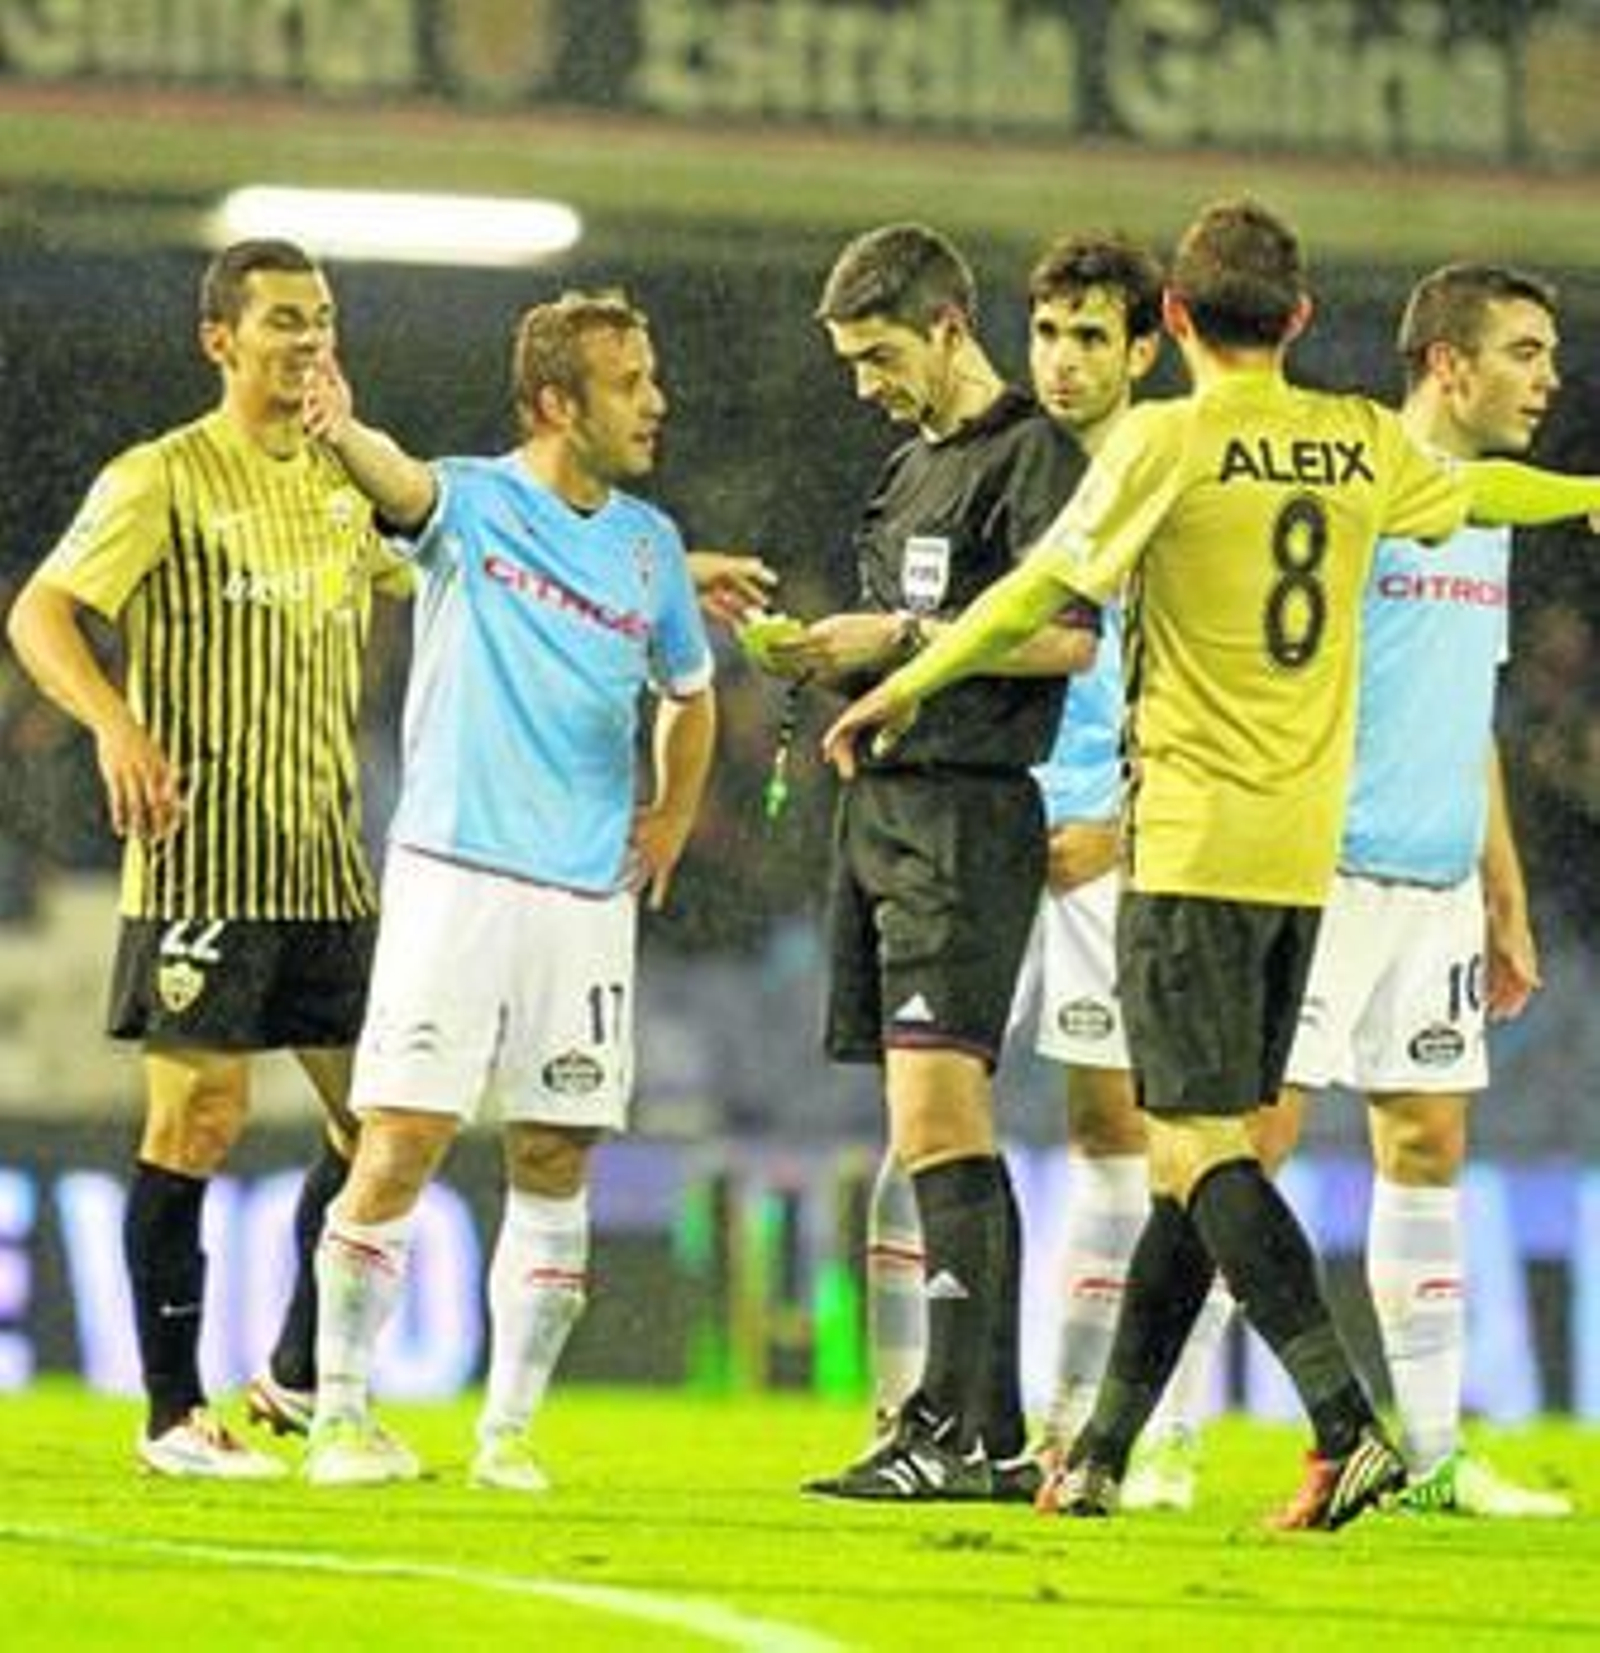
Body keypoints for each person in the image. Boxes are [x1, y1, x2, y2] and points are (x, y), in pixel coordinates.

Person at [823, 198, 1600, 1530]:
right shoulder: (1358, 440)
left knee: (1192, 1151)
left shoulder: (1163, 441)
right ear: (1300, 321)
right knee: (1202, 1150)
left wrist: (908, 677)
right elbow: (1482, 494)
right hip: (1308, 858)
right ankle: (1111, 1446)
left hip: (1185, 843)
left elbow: (1028, 596)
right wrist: (1591, 492)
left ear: (1171, 322)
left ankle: (1345, 1420)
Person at [298, 289, 716, 1489]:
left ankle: (509, 1434)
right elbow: (398, 483)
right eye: (629, 383)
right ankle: (339, 1415)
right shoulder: (472, 503)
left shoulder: (648, 544)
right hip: (454, 876)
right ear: (553, 403)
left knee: (555, 1151)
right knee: (404, 1140)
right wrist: (339, 426)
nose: (656, 401)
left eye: (650, 376)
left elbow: (689, 691)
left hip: (584, 897)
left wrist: (674, 809)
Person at [7, 239, 404, 1478]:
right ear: (218, 339)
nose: (307, 341)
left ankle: (291, 1376)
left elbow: (455, 570)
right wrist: (116, 723)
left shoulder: (344, 485)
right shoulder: (161, 476)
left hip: (328, 864)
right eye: (282, 320)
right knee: (199, 1121)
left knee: (381, 1124)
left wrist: (651, 571)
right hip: (203, 864)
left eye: (323, 320)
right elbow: (40, 611)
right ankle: (173, 1415)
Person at [863, 231, 1221, 1507]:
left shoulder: (1175, 477)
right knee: (921, 1125)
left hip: (1107, 838)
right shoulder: (1016, 463)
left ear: (1143, 348)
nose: (1064, 362)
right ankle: (920, 1410)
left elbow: (1203, 673)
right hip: (985, 822)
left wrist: (1130, 823)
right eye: (1048, 333)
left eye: (1092, 339)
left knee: (1119, 1130)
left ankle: (1119, 1426)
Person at [759, 223, 1098, 1501]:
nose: (865, 382)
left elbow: (1066, 637)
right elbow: (911, 647)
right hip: (884, 814)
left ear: (950, 326)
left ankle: (969, 1433)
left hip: (965, 818)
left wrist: (895, 632)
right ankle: (963, 1427)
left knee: (942, 1118)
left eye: (880, 353)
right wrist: (831, 660)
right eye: (850, 360)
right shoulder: (906, 471)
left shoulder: (1033, 457)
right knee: (914, 1125)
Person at [1246, 264, 1573, 1517]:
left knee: (1427, 1146)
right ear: (1447, 363)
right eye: (1523, 353)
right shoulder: (1358, 486)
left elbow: (1465, 715)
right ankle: (1149, 1441)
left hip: (1435, 882)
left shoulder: (1486, 509)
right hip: (1322, 874)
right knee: (1245, 1155)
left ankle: (1432, 1457)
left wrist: (1504, 895)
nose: (1546, 379)